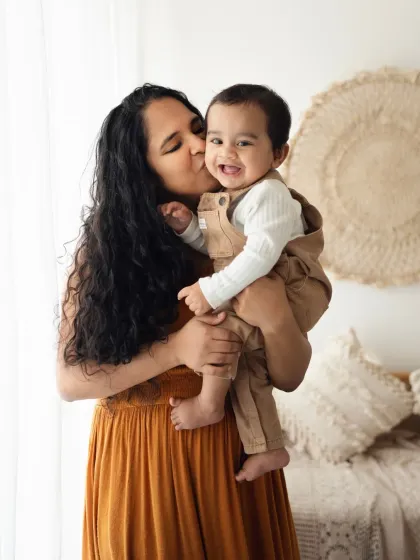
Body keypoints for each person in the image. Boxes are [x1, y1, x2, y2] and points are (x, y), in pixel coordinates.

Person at [57, 83, 311, 559]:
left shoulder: (248, 239)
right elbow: (70, 381)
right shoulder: (104, 255)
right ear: (143, 173)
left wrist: (277, 320)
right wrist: (175, 350)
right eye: (175, 145)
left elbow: (290, 378)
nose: (202, 146)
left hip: (232, 461)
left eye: (200, 129)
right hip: (141, 466)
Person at [161, 84, 332, 481]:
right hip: (260, 282)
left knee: (224, 332)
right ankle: (268, 447)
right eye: (217, 139)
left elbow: (258, 255)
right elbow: (221, 246)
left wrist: (211, 290)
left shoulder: (268, 194)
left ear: (277, 154)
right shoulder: (230, 196)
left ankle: (208, 406)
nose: (224, 152)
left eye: (243, 142)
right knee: (249, 370)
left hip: (287, 286)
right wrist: (189, 229)